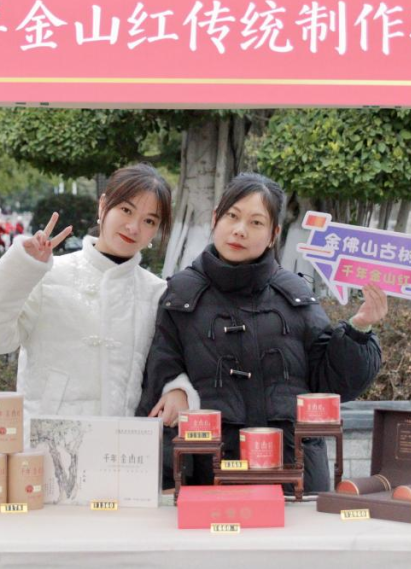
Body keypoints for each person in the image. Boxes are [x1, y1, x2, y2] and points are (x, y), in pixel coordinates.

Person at [138, 173, 386, 493]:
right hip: (209, 476)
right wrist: (166, 480)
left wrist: (359, 328)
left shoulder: (293, 292)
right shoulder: (180, 294)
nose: (240, 230)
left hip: (292, 475)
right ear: (215, 218)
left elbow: (332, 383)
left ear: (273, 234)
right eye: (232, 216)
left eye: (256, 222)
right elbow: (160, 381)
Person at [0, 163, 198, 434]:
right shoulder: (47, 276)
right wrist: (22, 268)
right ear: (103, 206)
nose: (134, 227)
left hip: (121, 447)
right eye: (126, 210)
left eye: (149, 221)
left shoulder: (156, 293)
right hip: (48, 444)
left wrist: (178, 389)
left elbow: (170, 362)